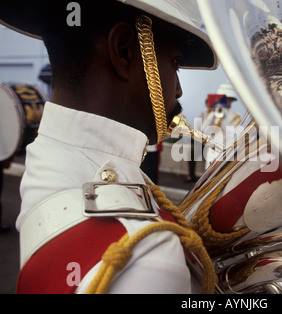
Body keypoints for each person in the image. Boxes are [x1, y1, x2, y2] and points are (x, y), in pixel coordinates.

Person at [0, 0, 217, 293]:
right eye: (175, 63)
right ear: (124, 51)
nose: (178, 89)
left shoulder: (48, 154)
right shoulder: (147, 258)